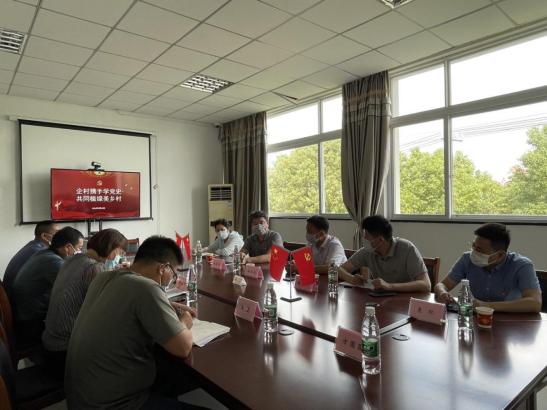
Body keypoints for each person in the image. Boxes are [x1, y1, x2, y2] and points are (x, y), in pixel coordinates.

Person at [65, 236, 199, 410]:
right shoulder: (146, 288)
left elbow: (127, 302)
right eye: (173, 274)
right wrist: (184, 321)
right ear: (163, 268)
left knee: (168, 374)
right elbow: (182, 347)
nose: (171, 279)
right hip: (114, 405)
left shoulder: (103, 277)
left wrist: (166, 304)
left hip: (81, 396)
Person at [42, 228, 128, 379]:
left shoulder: (73, 259)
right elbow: (109, 308)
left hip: (50, 342)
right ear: (110, 248)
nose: (119, 257)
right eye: (119, 252)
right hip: (66, 351)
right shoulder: (94, 268)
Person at [435, 223, 542, 313]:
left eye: (479, 250)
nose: (474, 252)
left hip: (511, 322)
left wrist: (487, 306)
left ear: (500, 255)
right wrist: (442, 293)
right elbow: (442, 285)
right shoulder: (467, 259)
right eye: (473, 246)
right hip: (478, 319)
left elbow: (535, 303)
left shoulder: (521, 265)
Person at [11, 226, 84, 346]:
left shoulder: (44, 253)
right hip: (31, 322)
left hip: (24, 314)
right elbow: (74, 290)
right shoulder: (53, 262)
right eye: (80, 248)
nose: (81, 252)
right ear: (68, 247)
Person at [338, 215, 430, 293]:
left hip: (405, 299)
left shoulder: (407, 249)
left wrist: (389, 286)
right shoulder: (367, 251)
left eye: (367, 236)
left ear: (380, 240)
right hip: (380, 298)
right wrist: (351, 279)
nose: (364, 239)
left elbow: (426, 285)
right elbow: (338, 270)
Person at [3, 220, 59, 300]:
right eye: (57, 233)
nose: (61, 236)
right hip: (20, 302)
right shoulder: (39, 252)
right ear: (44, 236)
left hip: (14, 297)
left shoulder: (33, 246)